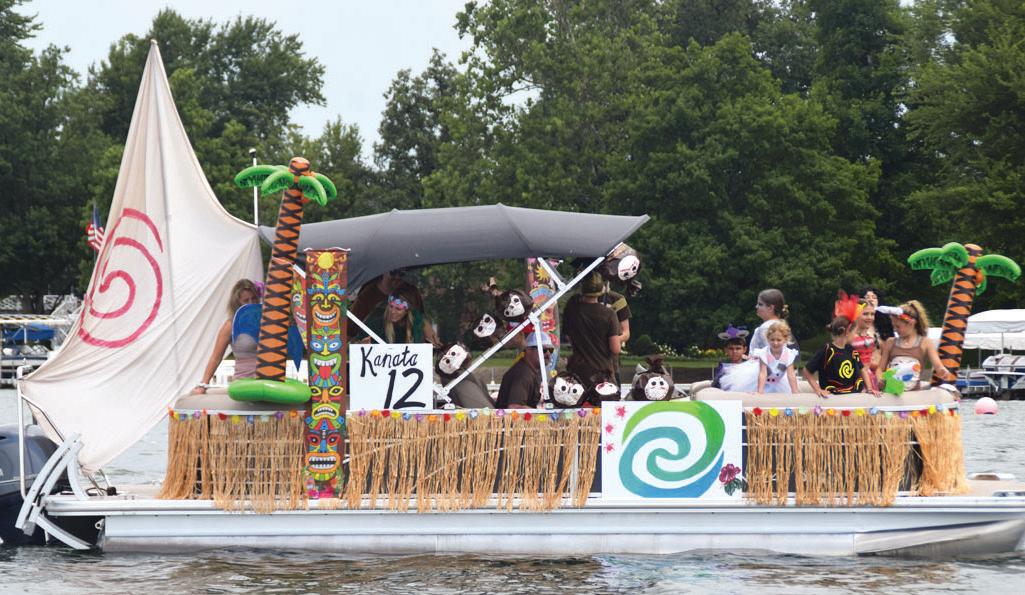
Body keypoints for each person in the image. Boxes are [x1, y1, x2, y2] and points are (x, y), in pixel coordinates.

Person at [192, 279, 260, 394]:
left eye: (254, 298)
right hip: (244, 383)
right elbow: (216, 357)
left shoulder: (267, 322)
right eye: (246, 300)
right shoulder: (230, 325)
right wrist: (203, 384)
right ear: (237, 303)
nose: (251, 303)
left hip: (268, 382)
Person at [877, 300, 955, 391]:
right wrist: (879, 378)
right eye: (893, 326)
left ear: (912, 323)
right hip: (892, 391)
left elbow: (938, 365)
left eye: (898, 326)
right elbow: (880, 369)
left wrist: (942, 370)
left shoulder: (925, 342)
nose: (895, 330)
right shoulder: (890, 342)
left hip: (914, 393)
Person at [562, 272, 622, 388]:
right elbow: (615, 348)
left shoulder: (573, 311)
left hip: (578, 373)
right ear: (601, 289)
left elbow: (568, 337)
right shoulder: (609, 314)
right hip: (602, 374)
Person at [803, 316, 879, 398]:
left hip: (853, 396)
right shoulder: (827, 350)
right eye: (855, 332)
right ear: (846, 332)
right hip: (833, 398)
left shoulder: (851, 350)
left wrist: (869, 389)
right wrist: (818, 390)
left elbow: (862, 369)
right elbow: (806, 371)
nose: (856, 336)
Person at [349, 269, 425, 337]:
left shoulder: (412, 293)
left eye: (402, 274)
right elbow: (350, 330)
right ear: (384, 271)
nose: (397, 277)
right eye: (393, 272)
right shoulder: (367, 295)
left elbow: (422, 323)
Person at [366, 286, 440, 346]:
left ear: (407, 311)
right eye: (391, 306)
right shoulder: (376, 324)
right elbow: (361, 341)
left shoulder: (418, 322)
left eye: (398, 309)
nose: (393, 311)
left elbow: (436, 346)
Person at [496, 332, 552, 409]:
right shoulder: (523, 374)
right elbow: (514, 407)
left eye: (551, 350)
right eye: (544, 350)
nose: (548, 354)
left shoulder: (530, 370)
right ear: (528, 350)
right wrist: (543, 415)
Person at [756, 321, 800, 394]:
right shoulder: (763, 353)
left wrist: (795, 391)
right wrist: (760, 391)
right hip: (763, 381)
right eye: (772, 339)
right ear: (768, 339)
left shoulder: (789, 354)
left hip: (779, 380)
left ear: (785, 339)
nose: (775, 343)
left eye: (779, 340)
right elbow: (763, 373)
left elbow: (791, 374)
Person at [751, 289, 797, 354]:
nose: (756, 306)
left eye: (760, 304)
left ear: (771, 308)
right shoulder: (781, 325)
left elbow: (772, 355)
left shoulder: (767, 327)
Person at [848, 299, 880, 390]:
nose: (870, 317)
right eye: (865, 314)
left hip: (869, 377)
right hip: (854, 378)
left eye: (872, 314)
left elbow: (873, 361)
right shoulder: (849, 337)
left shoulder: (871, 338)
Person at [712, 325, 748, 389]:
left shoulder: (750, 365)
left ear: (744, 349)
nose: (734, 351)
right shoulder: (723, 366)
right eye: (731, 348)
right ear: (726, 350)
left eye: (738, 348)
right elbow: (716, 384)